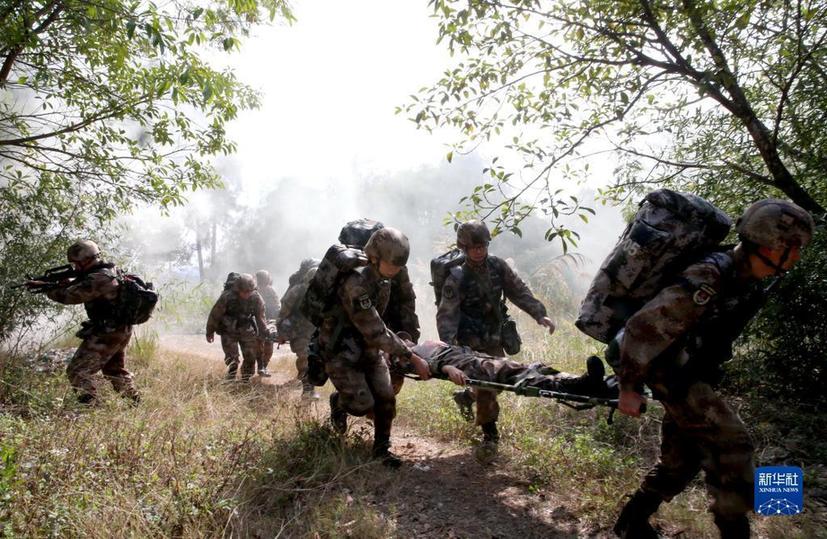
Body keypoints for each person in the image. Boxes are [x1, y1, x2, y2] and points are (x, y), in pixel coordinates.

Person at [612, 199, 815, 539]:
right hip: (669, 372)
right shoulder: (709, 276)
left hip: (688, 371)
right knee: (733, 446)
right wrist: (628, 388)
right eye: (794, 248)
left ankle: (631, 523)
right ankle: (736, 531)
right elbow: (641, 328)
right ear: (772, 246)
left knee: (683, 458)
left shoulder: (745, 277)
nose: (797, 256)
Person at [436, 220, 556, 455]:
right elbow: (446, 315)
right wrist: (451, 351)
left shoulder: (497, 266)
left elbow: (518, 290)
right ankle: (490, 436)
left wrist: (539, 314)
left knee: (498, 380)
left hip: (493, 336)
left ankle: (466, 397)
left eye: (482, 246)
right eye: (474, 247)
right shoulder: (456, 277)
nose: (479, 251)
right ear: (463, 248)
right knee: (487, 385)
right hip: (469, 340)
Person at [320, 227, 429, 467]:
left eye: (399, 265)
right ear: (374, 257)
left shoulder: (384, 279)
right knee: (362, 404)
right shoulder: (355, 284)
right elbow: (375, 329)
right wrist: (411, 356)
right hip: (342, 351)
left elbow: (383, 322)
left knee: (386, 400)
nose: (397, 269)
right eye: (392, 264)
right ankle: (339, 402)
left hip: (370, 349)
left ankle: (381, 449)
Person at [27, 240, 140, 404]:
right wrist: (61, 284)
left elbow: (69, 296)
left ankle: (91, 406)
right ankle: (134, 402)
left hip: (107, 332)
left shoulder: (99, 278)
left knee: (78, 371)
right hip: (119, 328)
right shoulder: (108, 270)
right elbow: (81, 286)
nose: (75, 267)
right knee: (114, 370)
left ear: (87, 260)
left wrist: (47, 288)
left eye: (76, 263)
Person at [206, 273, 267, 382]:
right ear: (238, 289)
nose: (247, 294)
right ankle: (231, 374)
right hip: (228, 329)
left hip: (246, 328)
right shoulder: (227, 297)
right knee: (232, 357)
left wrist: (264, 331)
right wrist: (210, 331)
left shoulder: (256, 298)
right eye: (244, 291)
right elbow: (215, 315)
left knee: (250, 355)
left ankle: (246, 378)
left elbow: (261, 317)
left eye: (249, 291)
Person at [275, 261, 320, 397]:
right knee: (305, 357)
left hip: (316, 331)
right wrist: (281, 332)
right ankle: (308, 389)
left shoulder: (324, 293)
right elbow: (283, 313)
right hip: (298, 330)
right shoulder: (297, 291)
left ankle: (308, 384)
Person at [255, 270, 280, 377]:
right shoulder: (254, 290)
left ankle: (262, 366)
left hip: (267, 321)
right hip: (258, 321)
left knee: (265, 345)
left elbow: (277, 306)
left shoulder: (270, 291)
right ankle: (261, 366)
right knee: (262, 345)